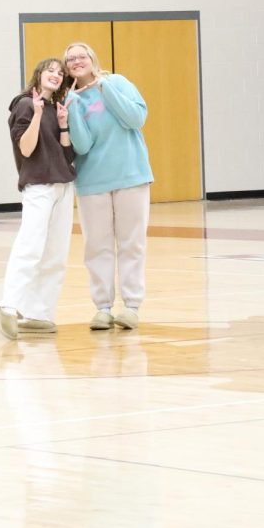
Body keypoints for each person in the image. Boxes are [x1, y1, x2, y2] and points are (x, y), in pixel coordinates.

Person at [62, 42, 153, 331]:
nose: (77, 61)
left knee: (131, 243)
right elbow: (83, 145)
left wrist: (104, 89)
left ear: (92, 58)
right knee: (97, 247)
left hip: (131, 176)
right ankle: (102, 307)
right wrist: (74, 106)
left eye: (81, 56)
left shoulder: (118, 82)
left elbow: (135, 119)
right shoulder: (71, 99)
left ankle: (131, 306)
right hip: (92, 182)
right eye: (70, 59)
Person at [0, 58, 76, 340]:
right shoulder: (25, 104)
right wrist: (39, 115)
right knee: (30, 247)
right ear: (39, 74)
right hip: (38, 186)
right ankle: (8, 305)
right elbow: (26, 149)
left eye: (60, 73)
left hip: (63, 186)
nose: (56, 75)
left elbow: (67, 156)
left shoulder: (57, 108)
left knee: (56, 253)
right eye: (51, 70)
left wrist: (64, 126)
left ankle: (39, 313)